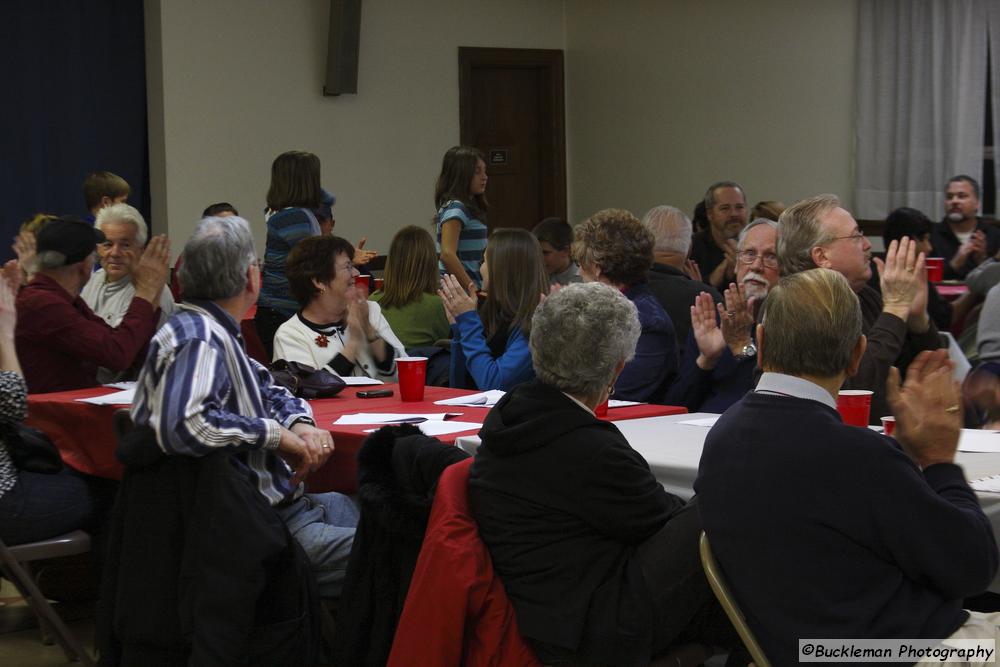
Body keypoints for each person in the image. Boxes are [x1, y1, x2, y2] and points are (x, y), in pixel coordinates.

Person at [696, 268, 999, 667]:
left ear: (762, 341)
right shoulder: (859, 456)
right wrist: (938, 461)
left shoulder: (720, 438)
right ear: (857, 355)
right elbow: (972, 568)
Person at [469, 282, 741, 667]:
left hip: (544, 611)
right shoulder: (587, 448)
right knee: (723, 502)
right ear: (615, 371)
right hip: (594, 626)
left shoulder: (509, 419)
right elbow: (662, 520)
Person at [131, 215, 358, 597]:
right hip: (262, 527)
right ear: (250, 279)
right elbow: (189, 424)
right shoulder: (200, 341)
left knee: (381, 510)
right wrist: (275, 435)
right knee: (410, 548)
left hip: (272, 510)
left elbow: (268, 386)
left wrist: (299, 423)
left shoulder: (207, 330)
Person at [778, 194, 940, 423]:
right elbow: (854, 391)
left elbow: (932, 373)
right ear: (822, 256)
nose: (867, 244)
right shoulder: (795, 308)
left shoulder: (865, 296)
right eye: (856, 236)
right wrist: (895, 308)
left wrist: (918, 321)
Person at [0, 278, 103, 545]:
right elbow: (13, 402)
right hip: (6, 502)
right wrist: (6, 334)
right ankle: (96, 585)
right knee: (110, 489)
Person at [16, 217, 169, 393]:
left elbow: (124, 347)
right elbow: (117, 354)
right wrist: (145, 293)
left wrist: (152, 293)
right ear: (84, 265)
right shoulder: (43, 304)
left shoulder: (59, 299)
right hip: (49, 416)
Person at [667, 219, 780, 412]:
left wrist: (743, 347)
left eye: (771, 257)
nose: (756, 266)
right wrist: (706, 360)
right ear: (735, 265)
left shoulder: (792, 325)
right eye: (749, 254)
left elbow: (768, 407)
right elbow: (676, 406)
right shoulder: (715, 320)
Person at [574, 208, 678, 402]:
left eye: (580, 263)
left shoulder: (648, 323)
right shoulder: (602, 309)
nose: (579, 272)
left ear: (597, 267)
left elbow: (618, 393)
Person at [274, 235, 405, 380]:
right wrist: (353, 344)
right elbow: (307, 391)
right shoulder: (291, 335)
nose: (356, 273)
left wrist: (369, 331)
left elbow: (406, 373)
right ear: (319, 281)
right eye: (348, 267)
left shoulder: (369, 311)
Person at [438, 228, 546, 391]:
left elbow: (494, 384)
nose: (480, 268)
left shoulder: (534, 323)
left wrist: (468, 323)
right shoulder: (497, 313)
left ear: (502, 269)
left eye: (484, 261)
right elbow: (459, 388)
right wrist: (459, 332)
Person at [82, 203, 175, 383]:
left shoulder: (152, 290)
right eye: (107, 244)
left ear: (141, 248)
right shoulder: (95, 279)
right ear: (97, 249)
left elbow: (117, 360)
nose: (115, 253)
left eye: (125, 245)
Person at [255, 150, 324, 358]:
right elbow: (311, 258)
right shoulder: (293, 216)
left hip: (279, 311)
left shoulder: (292, 214)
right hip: (281, 312)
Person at [641, 204, 721, 354]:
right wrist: (700, 290)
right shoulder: (710, 301)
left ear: (643, 244)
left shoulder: (623, 292)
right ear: (690, 247)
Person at [884, 206, 971, 331]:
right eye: (926, 239)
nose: (929, 247)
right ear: (911, 241)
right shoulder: (914, 275)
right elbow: (944, 319)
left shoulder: (873, 269)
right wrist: (973, 292)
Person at [369, 226, 451, 350]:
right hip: (421, 368)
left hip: (383, 368)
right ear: (430, 264)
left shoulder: (373, 301)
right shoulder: (437, 304)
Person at [434, 146, 489, 289]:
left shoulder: (466, 207)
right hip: (461, 291)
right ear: (461, 174)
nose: (484, 177)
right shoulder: (456, 208)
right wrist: (472, 289)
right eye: (477, 172)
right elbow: (447, 254)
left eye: (484, 171)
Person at [931, 175, 1000, 280]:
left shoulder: (994, 235)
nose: (954, 201)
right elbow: (925, 280)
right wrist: (954, 263)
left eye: (961, 196)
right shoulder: (930, 235)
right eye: (949, 197)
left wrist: (982, 260)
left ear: (977, 204)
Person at [690, 181, 749, 289]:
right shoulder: (692, 248)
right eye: (725, 208)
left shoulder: (758, 243)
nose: (734, 214)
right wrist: (725, 267)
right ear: (710, 214)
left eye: (739, 207)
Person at [532, 217, 581, 286]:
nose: (540, 258)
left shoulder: (582, 281)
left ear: (565, 251)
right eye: (537, 252)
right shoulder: (538, 278)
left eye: (545, 253)